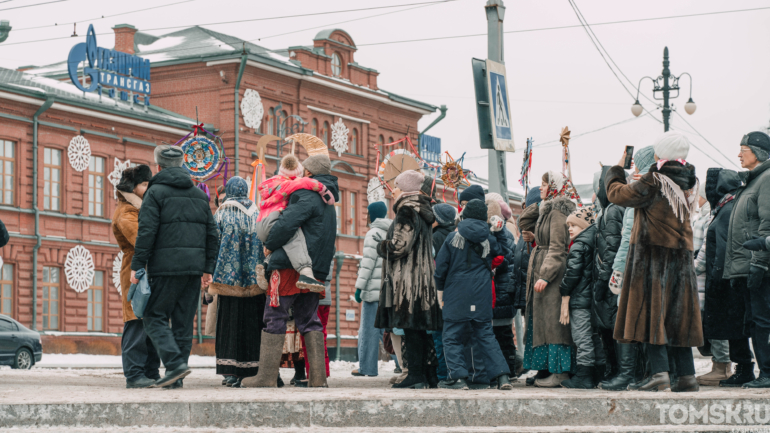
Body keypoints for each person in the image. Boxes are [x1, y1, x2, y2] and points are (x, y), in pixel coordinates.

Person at [606, 131, 702, 392]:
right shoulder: (689, 180)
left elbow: (618, 195)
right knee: (678, 316)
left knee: (651, 313)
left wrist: (616, 169)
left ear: (660, 153)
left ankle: (659, 374)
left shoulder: (655, 179)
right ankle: (687, 377)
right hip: (680, 260)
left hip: (652, 258)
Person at [245, 141, 339, 388]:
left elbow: (286, 225)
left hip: (289, 267)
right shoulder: (328, 200)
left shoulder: (305, 195)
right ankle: (318, 378)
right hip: (315, 269)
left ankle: (265, 376)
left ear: (308, 173)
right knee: (310, 319)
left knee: (274, 314)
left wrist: (270, 244)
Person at [131, 145, 219, 388]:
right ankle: (175, 380)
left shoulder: (154, 193)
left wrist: (137, 265)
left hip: (164, 268)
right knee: (182, 323)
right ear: (182, 166)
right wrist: (207, 268)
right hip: (193, 271)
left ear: (158, 167)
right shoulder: (200, 196)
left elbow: (147, 232)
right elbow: (213, 235)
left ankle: (174, 365)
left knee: (153, 316)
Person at [434, 199, 513, 390]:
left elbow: (441, 267)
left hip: (456, 294)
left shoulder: (453, 238)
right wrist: (500, 231)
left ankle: (459, 378)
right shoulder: (489, 238)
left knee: (451, 336)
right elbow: (503, 252)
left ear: (465, 215)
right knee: (486, 335)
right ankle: (502, 377)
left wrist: (440, 290)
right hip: (482, 293)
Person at [375, 169, 443, 389]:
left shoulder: (406, 209)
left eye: (396, 186)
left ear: (404, 189)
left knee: (411, 327)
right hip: (422, 277)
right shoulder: (423, 209)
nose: (393, 190)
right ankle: (430, 373)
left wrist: (383, 246)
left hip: (407, 280)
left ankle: (415, 373)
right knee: (421, 328)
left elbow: (400, 245)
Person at [693, 168, 752, 387]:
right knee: (731, 326)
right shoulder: (725, 208)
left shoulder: (726, 210)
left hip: (724, 279)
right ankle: (741, 368)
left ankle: (742, 369)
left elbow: (724, 247)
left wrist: (719, 276)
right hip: (724, 277)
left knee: (733, 326)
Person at [207, 176, 267, 388]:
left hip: (228, 280)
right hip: (255, 282)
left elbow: (213, 244)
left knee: (229, 325)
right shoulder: (259, 213)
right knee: (253, 325)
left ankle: (231, 372)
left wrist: (210, 274)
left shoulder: (222, 212)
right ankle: (251, 369)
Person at [519, 171, 577, 388]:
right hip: (542, 268)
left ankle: (559, 372)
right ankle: (545, 370)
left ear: (554, 186)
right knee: (541, 322)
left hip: (552, 275)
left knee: (553, 323)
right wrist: (542, 204)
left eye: (544, 185)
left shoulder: (557, 214)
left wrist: (545, 274)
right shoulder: (548, 210)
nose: (540, 188)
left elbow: (558, 248)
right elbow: (523, 220)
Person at [723, 130, 770, 388]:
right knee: (755, 321)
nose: (739, 153)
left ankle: (768, 373)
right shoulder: (752, 181)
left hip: (761, 265)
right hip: (750, 265)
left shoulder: (767, 179)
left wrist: (760, 263)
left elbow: (767, 225)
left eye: (744, 148)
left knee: (763, 322)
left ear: (759, 152)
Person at [255, 154, 334, 292]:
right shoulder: (295, 185)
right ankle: (305, 271)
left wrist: (269, 244)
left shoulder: (273, 182)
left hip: (261, 221)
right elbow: (286, 225)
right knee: (295, 235)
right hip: (273, 222)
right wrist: (325, 192)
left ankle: (266, 263)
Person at [112, 165, 159, 389]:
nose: (147, 188)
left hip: (145, 271)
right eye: (143, 184)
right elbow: (142, 240)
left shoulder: (139, 208)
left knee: (147, 322)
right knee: (135, 322)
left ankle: (150, 371)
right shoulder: (127, 212)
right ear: (132, 187)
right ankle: (134, 374)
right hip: (135, 271)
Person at [592, 166, 631, 391]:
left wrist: (603, 279)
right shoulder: (607, 209)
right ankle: (614, 370)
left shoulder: (615, 210)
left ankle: (619, 372)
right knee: (607, 327)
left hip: (610, 279)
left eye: (599, 184)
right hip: (606, 276)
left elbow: (612, 248)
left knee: (614, 327)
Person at [560, 207, 603, 389]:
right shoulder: (595, 240)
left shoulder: (579, 245)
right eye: (568, 225)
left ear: (584, 225)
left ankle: (584, 376)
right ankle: (599, 374)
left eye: (574, 225)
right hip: (593, 299)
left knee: (582, 337)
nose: (570, 228)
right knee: (594, 337)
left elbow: (572, 274)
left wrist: (563, 291)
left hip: (580, 300)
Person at [351, 201, 392, 377]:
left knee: (368, 331)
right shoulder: (392, 232)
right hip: (390, 291)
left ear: (372, 214)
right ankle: (402, 365)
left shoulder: (373, 233)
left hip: (373, 292)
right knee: (392, 330)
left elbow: (367, 264)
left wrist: (359, 288)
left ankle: (367, 368)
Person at [485, 195, 518, 383]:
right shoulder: (504, 233)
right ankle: (508, 370)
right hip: (502, 291)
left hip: (500, 291)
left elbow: (504, 257)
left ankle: (508, 370)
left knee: (502, 335)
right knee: (502, 334)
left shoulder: (501, 234)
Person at [516, 188, 541, 383]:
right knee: (530, 332)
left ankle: (541, 368)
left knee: (539, 331)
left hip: (537, 289)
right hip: (527, 290)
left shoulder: (540, 231)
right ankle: (535, 367)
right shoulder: (523, 233)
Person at [430, 203, 458, 383]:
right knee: (452, 336)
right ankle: (452, 372)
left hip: (438, 291)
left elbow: (435, 267)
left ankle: (442, 375)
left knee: (439, 336)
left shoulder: (434, 238)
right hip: (455, 291)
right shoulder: (456, 236)